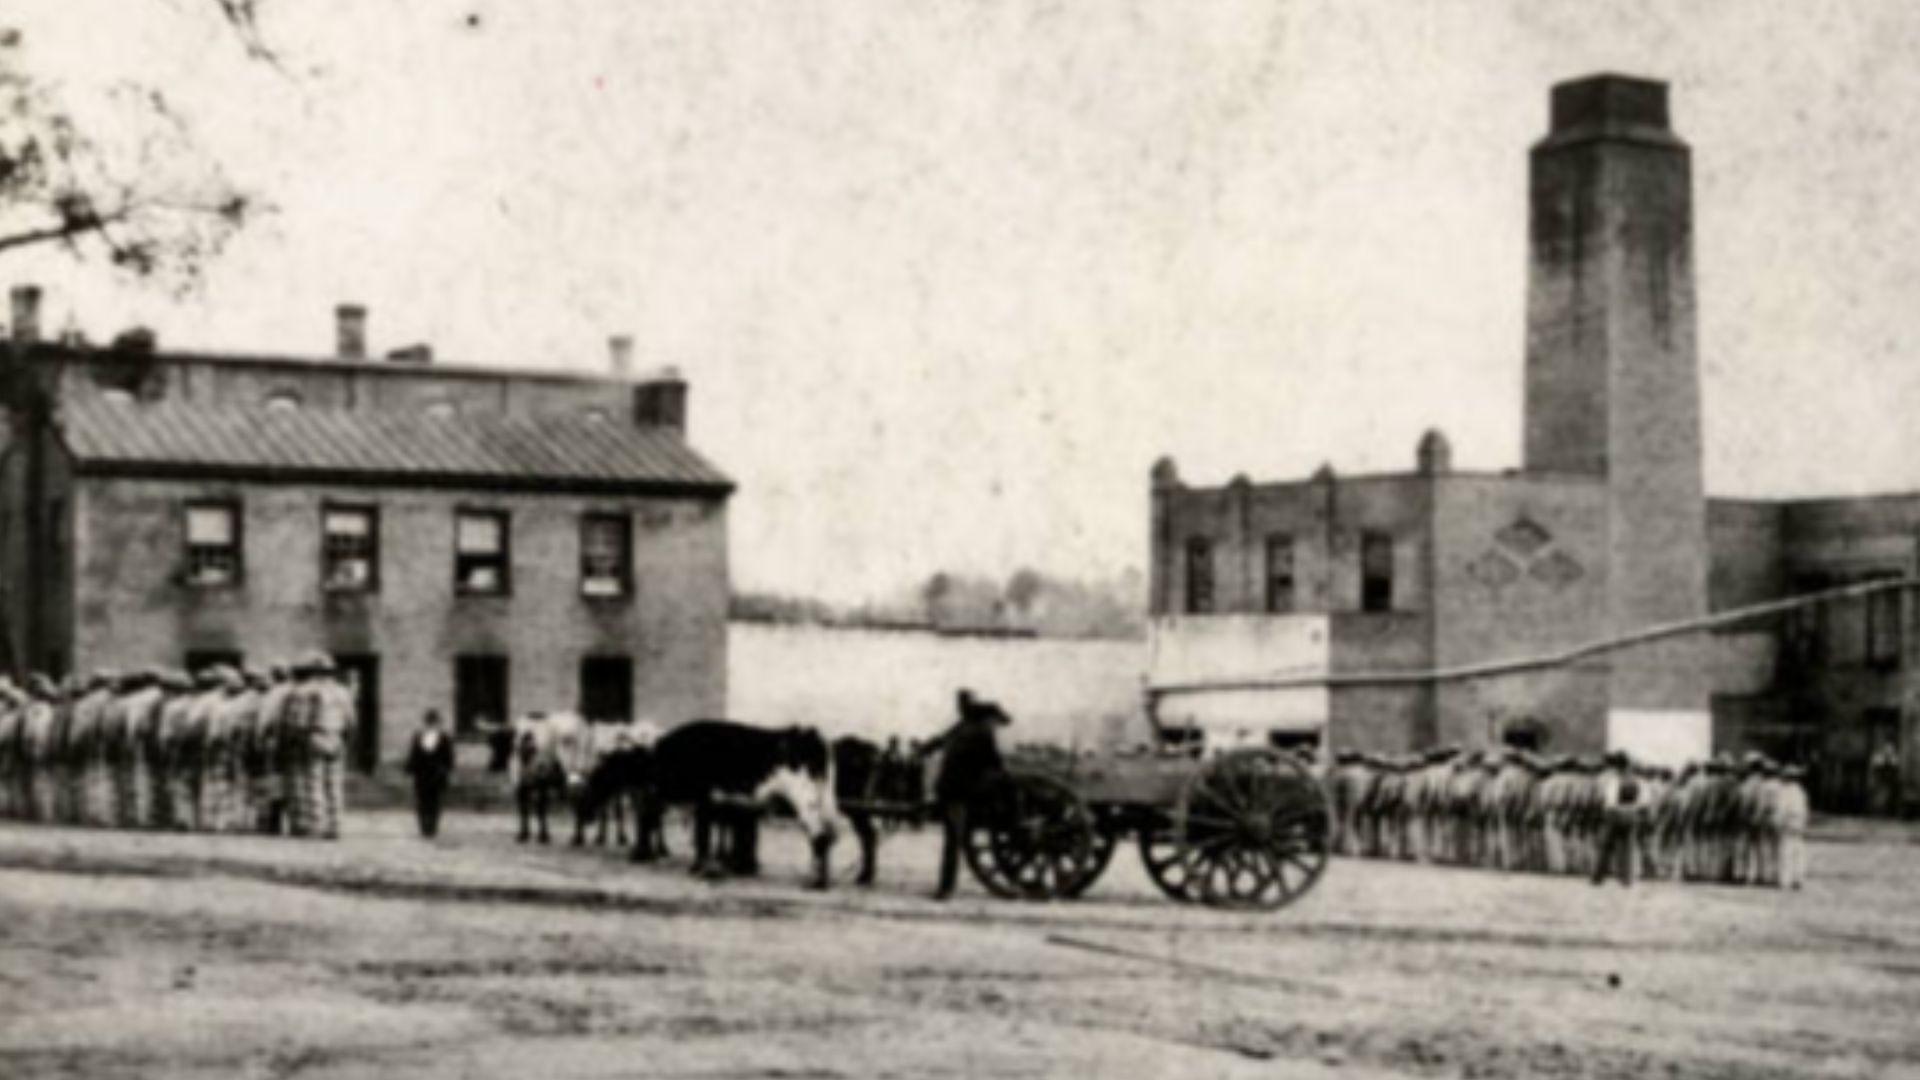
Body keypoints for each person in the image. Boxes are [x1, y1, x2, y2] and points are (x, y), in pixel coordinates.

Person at [918, 689, 1011, 901]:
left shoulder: (975, 729)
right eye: (960, 705)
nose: (960, 709)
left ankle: (946, 888)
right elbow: (941, 740)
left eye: (963, 705)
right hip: (954, 790)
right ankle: (945, 887)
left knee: (953, 839)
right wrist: (925, 749)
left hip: (961, 792)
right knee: (952, 838)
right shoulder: (967, 727)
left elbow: (993, 759)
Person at [1591, 750, 1643, 887]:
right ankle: (1626, 879)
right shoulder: (1635, 779)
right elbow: (1642, 801)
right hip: (1631, 814)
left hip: (1614, 814)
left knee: (1605, 847)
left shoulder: (1613, 779)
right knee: (1627, 848)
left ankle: (1598, 877)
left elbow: (1610, 800)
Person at [405, 709, 456, 838]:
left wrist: (445, 770)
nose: (432, 725)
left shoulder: (444, 738)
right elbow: (414, 754)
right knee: (422, 802)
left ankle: (432, 827)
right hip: (422, 774)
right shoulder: (418, 736)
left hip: (437, 775)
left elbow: (449, 757)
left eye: (434, 722)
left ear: (438, 723)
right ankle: (423, 827)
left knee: (435, 802)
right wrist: (410, 768)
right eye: (429, 722)